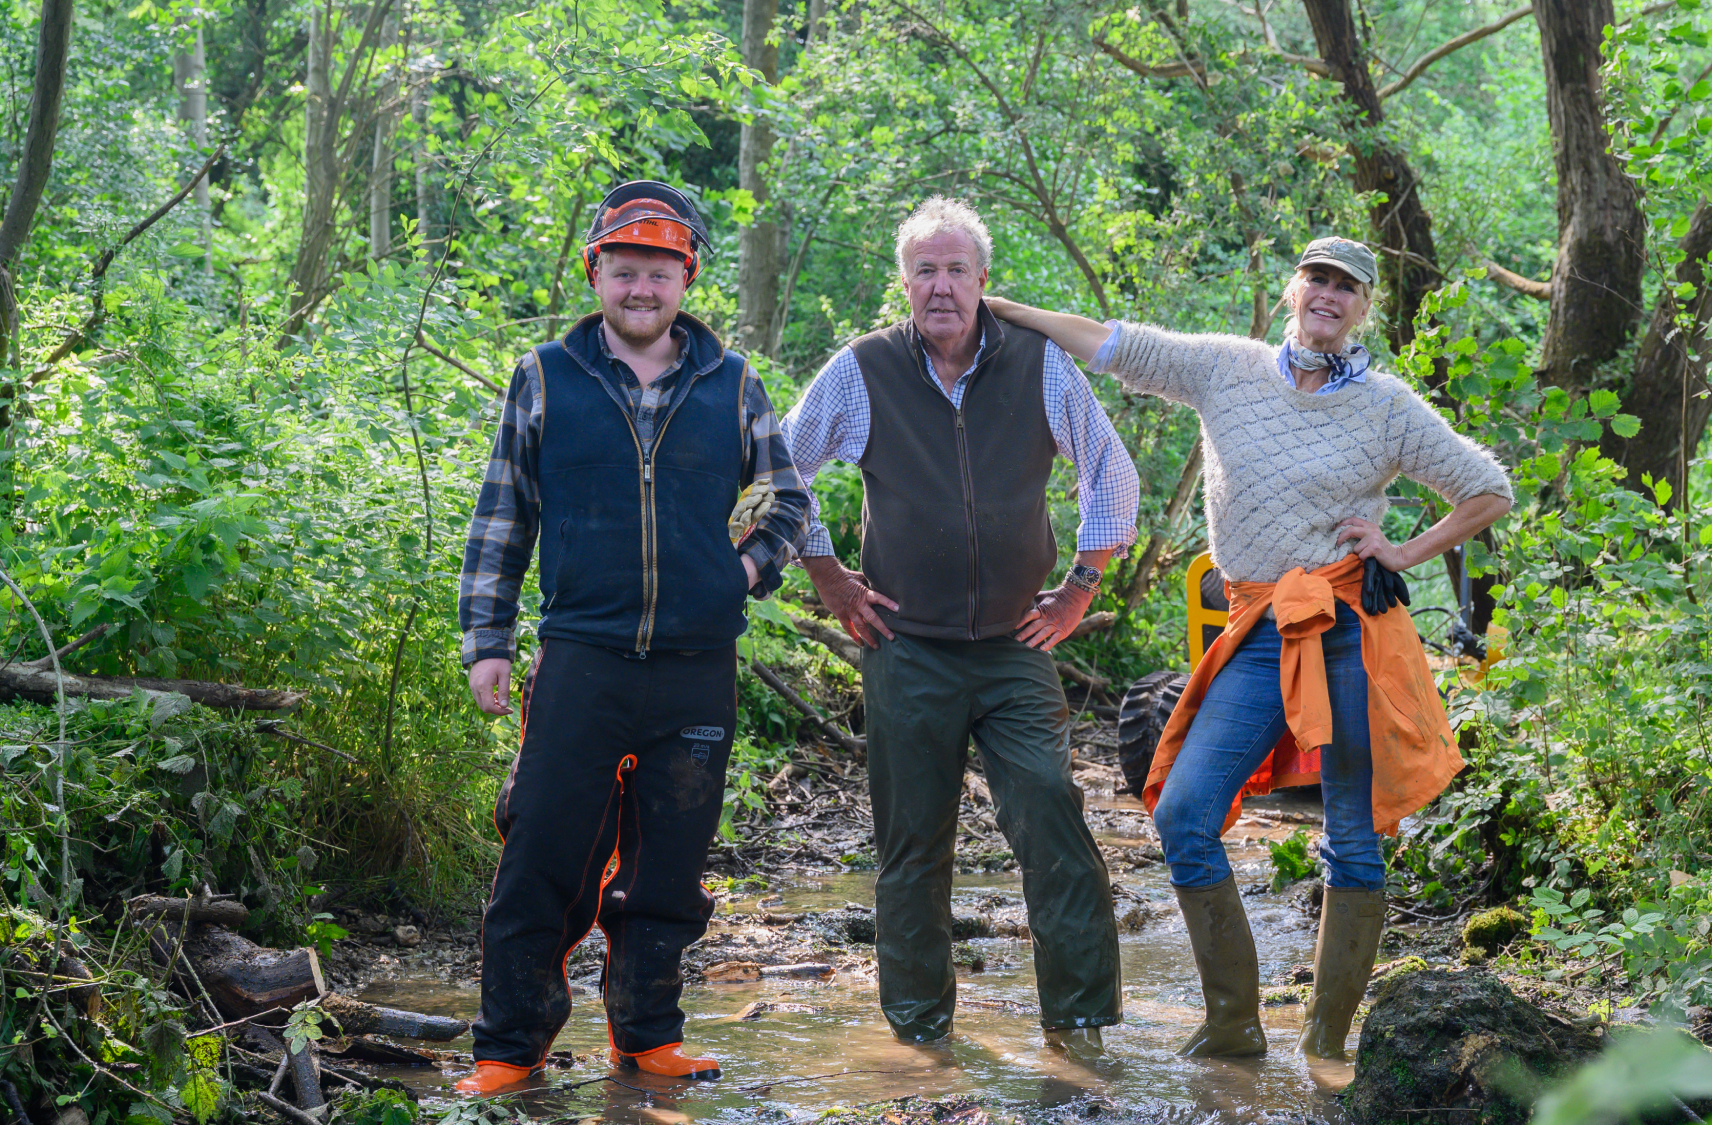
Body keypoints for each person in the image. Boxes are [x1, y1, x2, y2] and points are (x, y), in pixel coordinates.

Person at [987, 235, 1512, 1062]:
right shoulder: (1223, 367)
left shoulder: (1385, 405)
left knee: (1351, 835)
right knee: (1184, 812)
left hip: (1348, 629)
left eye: (1346, 287)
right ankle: (1234, 1022)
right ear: (1293, 289)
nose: (1329, 295)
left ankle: (1325, 1044)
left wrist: (1402, 550)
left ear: (1364, 307)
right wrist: (995, 305)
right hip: (1257, 631)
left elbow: (1488, 488)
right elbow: (1109, 342)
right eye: (1317, 279)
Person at [453, 180, 811, 1094]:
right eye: (624, 271)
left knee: (669, 867)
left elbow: (789, 501)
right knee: (541, 853)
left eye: (659, 272)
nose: (641, 288)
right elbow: (503, 512)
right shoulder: (545, 376)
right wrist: (488, 639)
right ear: (596, 274)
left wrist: (739, 573)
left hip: (697, 669)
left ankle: (647, 1037)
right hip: (581, 658)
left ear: (685, 279)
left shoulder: (732, 382)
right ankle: (509, 1049)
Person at [781, 197, 1140, 1060]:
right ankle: (921, 1036)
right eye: (924, 271)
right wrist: (828, 576)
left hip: (1015, 646)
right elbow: (776, 470)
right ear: (903, 283)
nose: (940, 286)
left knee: (1052, 813)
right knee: (912, 844)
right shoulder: (862, 369)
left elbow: (1111, 471)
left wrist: (1079, 589)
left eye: (955, 270)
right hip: (905, 648)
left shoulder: (1040, 365)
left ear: (982, 279)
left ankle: (1079, 1027)